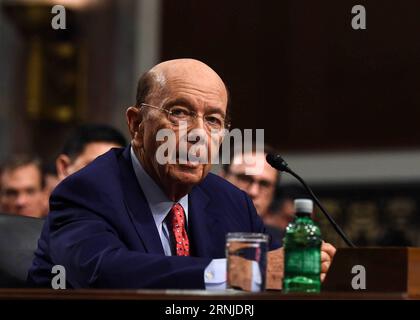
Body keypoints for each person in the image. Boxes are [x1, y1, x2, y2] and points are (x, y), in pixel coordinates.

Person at [27, 59, 335, 289]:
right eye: (178, 112)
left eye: (213, 120)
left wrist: (304, 265)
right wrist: (235, 273)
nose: (198, 134)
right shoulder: (87, 190)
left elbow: (273, 268)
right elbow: (102, 272)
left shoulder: (231, 202)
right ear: (136, 125)